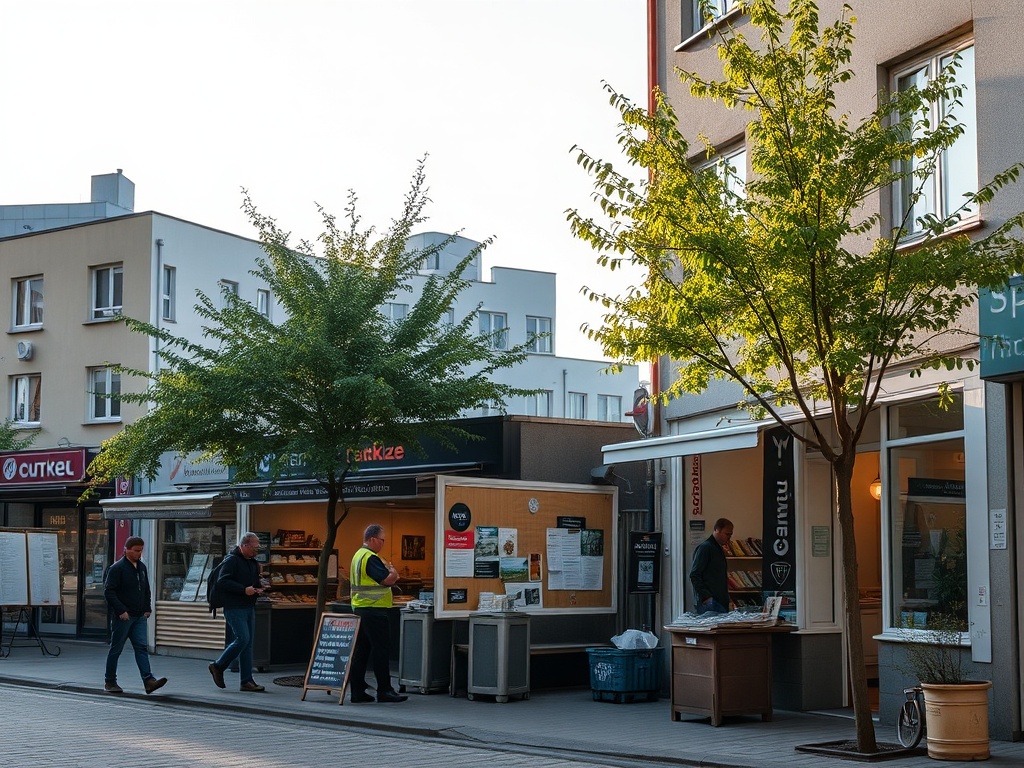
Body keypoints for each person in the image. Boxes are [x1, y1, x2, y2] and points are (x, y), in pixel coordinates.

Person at [348, 524, 407, 703]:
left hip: (360, 608)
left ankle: (357, 691)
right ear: (373, 539)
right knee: (381, 649)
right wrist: (394, 574)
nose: (383, 543)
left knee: (362, 650)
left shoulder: (358, 555)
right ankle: (385, 690)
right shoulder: (370, 557)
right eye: (382, 540)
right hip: (374, 610)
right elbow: (386, 580)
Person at [103, 536, 167, 694]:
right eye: (136, 550)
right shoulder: (117, 568)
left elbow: (146, 589)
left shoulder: (142, 567)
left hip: (139, 616)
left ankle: (148, 680)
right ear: (127, 550)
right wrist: (121, 610)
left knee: (141, 647)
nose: (139, 553)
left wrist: (147, 607)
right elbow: (109, 592)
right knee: (116, 649)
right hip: (123, 617)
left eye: (141, 550)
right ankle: (110, 681)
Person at [208, 532, 266, 692]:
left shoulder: (252, 562)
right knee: (243, 638)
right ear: (244, 545)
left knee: (248, 644)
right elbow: (222, 581)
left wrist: (258, 587)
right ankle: (218, 665)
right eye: (254, 547)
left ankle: (246, 681)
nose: (256, 550)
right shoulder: (232, 560)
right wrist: (243, 590)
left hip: (248, 606)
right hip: (234, 606)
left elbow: (252, 582)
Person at [689, 518, 734, 614]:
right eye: (727, 534)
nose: (729, 538)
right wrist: (705, 596)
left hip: (718, 600)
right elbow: (694, 574)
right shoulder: (706, 548)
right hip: (710, 602)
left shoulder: (718, 549)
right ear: (717, 530)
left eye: (730, 535)